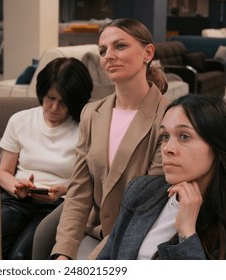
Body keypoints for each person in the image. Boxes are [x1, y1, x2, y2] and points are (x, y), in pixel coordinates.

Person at [35, 18, 170, 260]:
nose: (109, 55)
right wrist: (63, 253)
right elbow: (79, 190)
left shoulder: (168, 117)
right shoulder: (91, 113)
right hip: (93, 231)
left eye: (120, 46)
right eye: (103, 50)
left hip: (138, 240)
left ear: (147, 53)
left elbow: (145, 209)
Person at [98, 95, 226, 260]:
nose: (167, 148)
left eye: (184, 137)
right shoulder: (141, 190)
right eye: (165, 136)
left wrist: (187, 235)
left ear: (219, 148)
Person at [0, 57, 92, 260]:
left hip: (58, 205)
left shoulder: (86, 128)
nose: (54, 108)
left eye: (63, 102)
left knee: (21, 255)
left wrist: (64, 190)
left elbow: (91, 182)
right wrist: (17, 187)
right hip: (18, 199)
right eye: (50, 98)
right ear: (41, 93)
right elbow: (3, 172)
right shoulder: (20, 120)